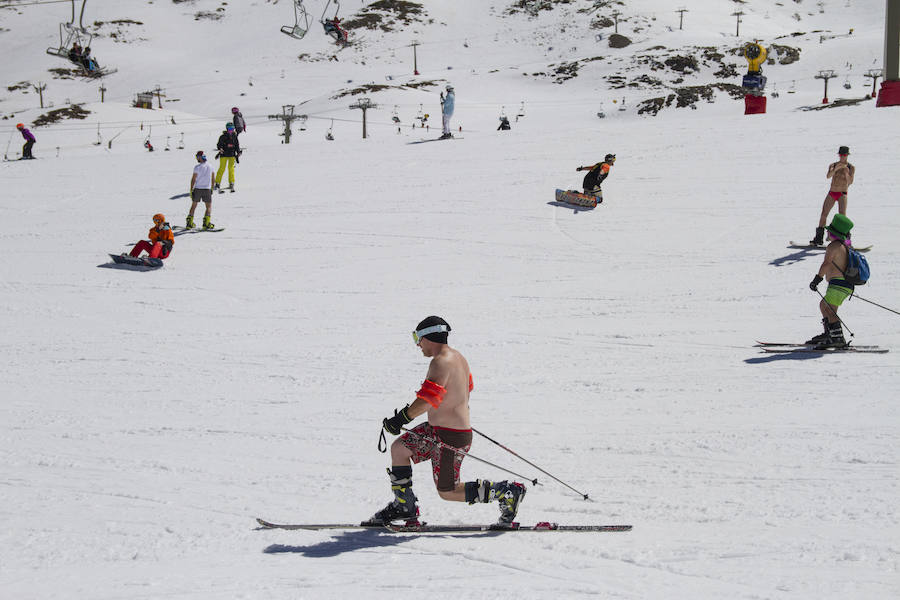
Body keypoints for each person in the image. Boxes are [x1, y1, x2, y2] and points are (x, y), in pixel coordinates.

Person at [364, 316, 526, 527]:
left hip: (451, 437)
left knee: (448, 491)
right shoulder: (458, 357)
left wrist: (400, 419)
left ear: (428, 337)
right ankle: (404, 506)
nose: (417, 345)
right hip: (435, 430)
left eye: (417, 338)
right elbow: (465, 389)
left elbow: (427, 400)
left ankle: (507, 492)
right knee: (399, 449)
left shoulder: (441, 362)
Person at [807, 214, 855, 347]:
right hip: (841, 285)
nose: (827, 232)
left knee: (829, 309)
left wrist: (817, 279)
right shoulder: (844, 246)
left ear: (833, 233)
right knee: (824, 306)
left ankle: (837, 338)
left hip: (839, 284)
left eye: (829, 230)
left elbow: (826, 264)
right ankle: (829, 333)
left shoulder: (833, 246)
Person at [810, 146, 855, 245]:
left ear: (847, 155)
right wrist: (836, 169)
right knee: (824, 214)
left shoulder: (851, 167)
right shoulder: (833, 165)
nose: (842, 157)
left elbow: (850, 181)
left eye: (844, 155)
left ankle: (846, 240)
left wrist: (846, 173)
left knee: (842, 216)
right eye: (841, 155)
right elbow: (828, 176)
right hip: (832, 192)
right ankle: (818, 238)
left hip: (842, 193)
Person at [187, 151, 215, 229]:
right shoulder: (210, 166)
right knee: (208, 206)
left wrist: (191, 189)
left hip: (198, 189)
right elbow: (213, 178)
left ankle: (189, 223)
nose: (197, 159)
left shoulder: (197, 167)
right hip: (207, 189)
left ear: (201, 157)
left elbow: (193, 179)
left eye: (197, 157)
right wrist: (212, 188)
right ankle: (206, 223)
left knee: (194, 205)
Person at [214, 123, 241, 192]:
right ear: (227, 129)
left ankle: (231, 182)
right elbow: (219, 144)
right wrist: (220, 148)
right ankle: (217, 183)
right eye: (229, 129)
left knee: (231, 169)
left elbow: (237, 145)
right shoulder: (223, 136)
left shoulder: (234, 136)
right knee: (222, 168)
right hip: (224, 154)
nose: (231, 130)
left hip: (232, 154)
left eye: (232, 129)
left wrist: (238, 152)